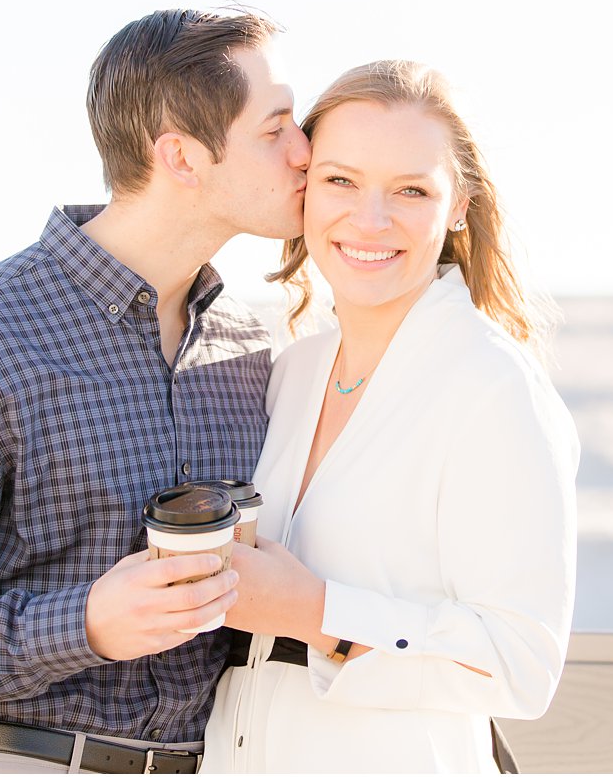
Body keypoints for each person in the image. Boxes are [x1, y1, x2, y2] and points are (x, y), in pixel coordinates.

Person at [0, 7, 312, 774]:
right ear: (181, 155)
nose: (305, 152)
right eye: (275, 128)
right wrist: (82, 623)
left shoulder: (252, 349)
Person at [200, 60, 580, 773]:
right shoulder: (291, 373)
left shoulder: (492, 387)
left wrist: (315, 611)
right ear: (305, 187)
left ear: (459, 204)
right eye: (342, 180)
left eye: (411, 190)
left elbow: (521, 664)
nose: (370, 220)